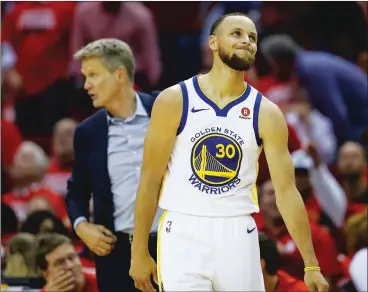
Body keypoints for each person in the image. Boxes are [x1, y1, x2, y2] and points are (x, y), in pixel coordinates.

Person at [130, 12, 329, 292]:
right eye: (236, 33)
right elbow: (150, 178)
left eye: (252, 37)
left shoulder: (267, 113)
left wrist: (311, 264)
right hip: (182, 231)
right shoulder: (174, 99)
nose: (246, 40)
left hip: (238, 233)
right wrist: (139, 249)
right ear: (212, 42)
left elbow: (287, 192)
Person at [65, 38, 161, 292]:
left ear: (119, 74)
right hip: (117, 254)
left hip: (174, 245)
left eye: (94, 75)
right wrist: (81, 225)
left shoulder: (165, 109)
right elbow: (76, 192)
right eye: (85, 76)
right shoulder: (88, 131)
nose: (86, 85)